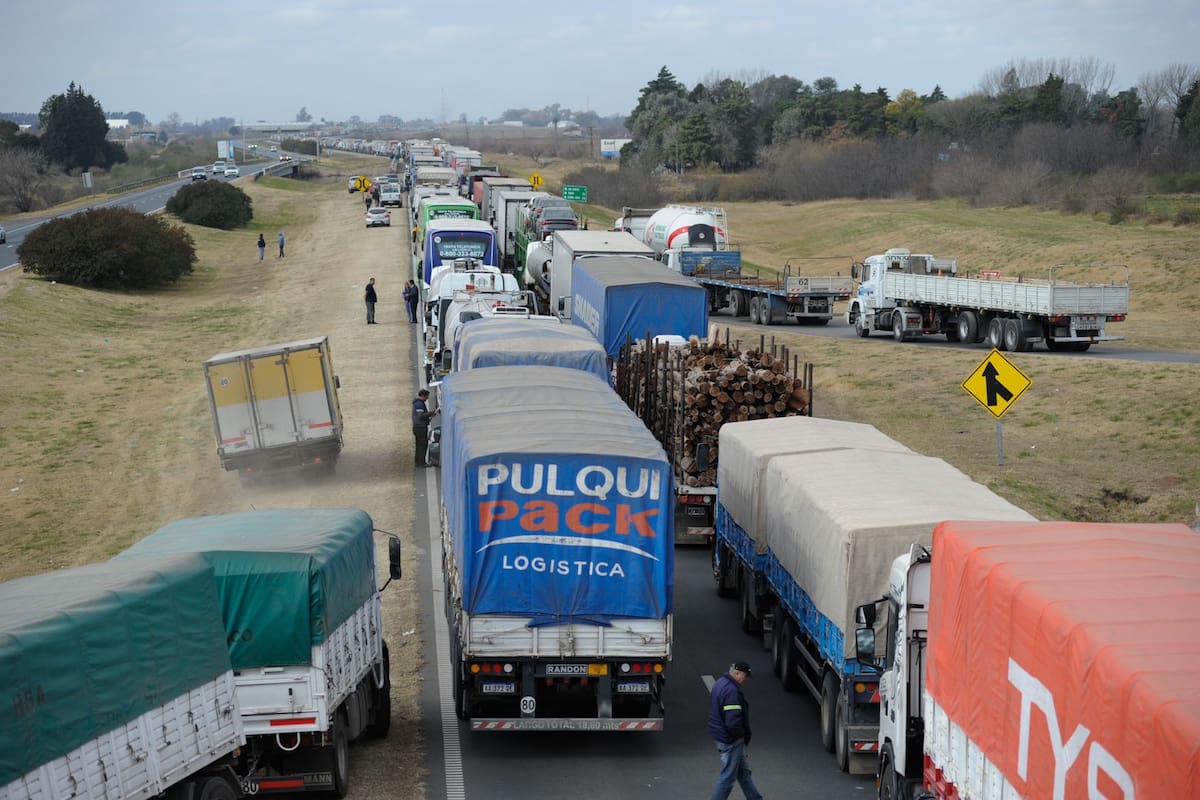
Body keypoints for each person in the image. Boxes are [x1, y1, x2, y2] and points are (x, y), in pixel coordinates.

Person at [707, 661, 764, 800]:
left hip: (721, 735)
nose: (745, 680)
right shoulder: (731, 691)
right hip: (731, 740)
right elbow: (732, 721)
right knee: (727, 778)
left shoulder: (720, 683)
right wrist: (740, 736)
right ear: (737, 673)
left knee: (744, 773)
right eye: (745, 676)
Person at [412, 389, 434, 467]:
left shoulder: (418, 403)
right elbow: (421, 416)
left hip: (418, 427)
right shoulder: (419, 404)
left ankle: (418, 461)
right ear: (423, 396)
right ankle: (421, 462)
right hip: (420, 427)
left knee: (419, 445)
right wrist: (430, 413)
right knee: (422, 445)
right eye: (427, 396)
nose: (427, 398)